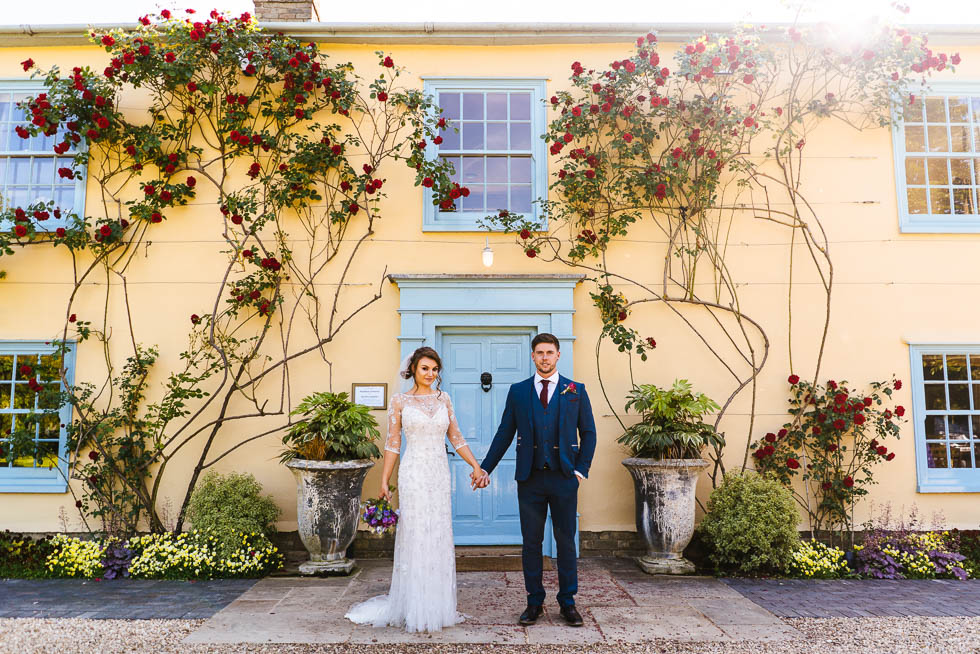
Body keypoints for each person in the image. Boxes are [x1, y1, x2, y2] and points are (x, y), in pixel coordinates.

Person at [345, 346, 486, 633]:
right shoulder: (400, 401)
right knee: (416, 532)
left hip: (438, 473)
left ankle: (437, 605)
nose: (430, 374)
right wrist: (385, 480)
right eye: (425, 368)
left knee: (438, 533)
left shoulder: (444, 398)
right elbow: (393, 443)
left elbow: (456, 437)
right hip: (413, 473)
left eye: (435, 369)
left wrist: (476, 465)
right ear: (413, 369)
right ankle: (413, 605)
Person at [473, 333, 597, 627]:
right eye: (539, 353)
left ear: (558, 356)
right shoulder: (518, 392)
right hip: (529, 480)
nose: (544, 357)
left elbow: (589, 433)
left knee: (566, 542)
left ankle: (568, 602)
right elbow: (504, 433)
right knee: (531, 543)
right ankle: (534, 601)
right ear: (532, 356)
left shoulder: (575, 390)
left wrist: (581, 471)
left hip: (565, 478)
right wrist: (485, 468)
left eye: (549, 353)